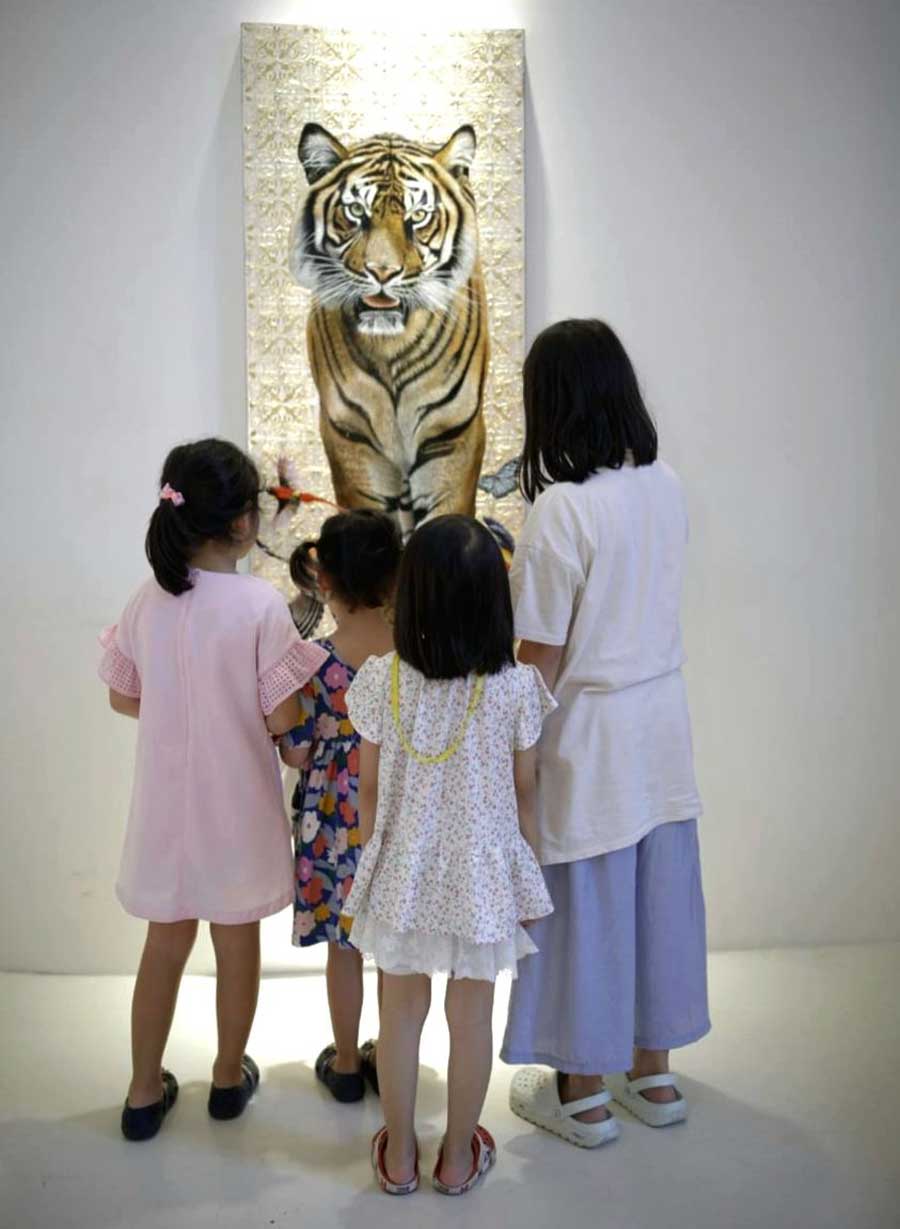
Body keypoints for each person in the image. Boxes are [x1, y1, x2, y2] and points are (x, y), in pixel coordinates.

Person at [500, 319, 710, 1148]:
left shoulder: (560, 511)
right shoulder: (667, 485)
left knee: (584, 903)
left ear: (551, 403)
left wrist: (501, 748)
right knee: (655, 891)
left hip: (589, 732)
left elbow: (539, 657)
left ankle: (581, 1094)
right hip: (661, 723)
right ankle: (652, 1075)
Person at [99, 438, 327, 1142]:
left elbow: (123, 697)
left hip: (168, 807)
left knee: (163, 944)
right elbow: (282, 718)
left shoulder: (147, 600)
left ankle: (142, 1091)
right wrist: (294, 740)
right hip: (236, 806)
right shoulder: (258, 604)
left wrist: (178, 706)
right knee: (236, 942)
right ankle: (228, 1077)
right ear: (243, 523)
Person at [342, 516, 556, 1196]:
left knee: (399, 1015)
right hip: (482, 875)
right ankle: (458, 1156)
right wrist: (528, 868)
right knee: (472, 1020)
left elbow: (368, 790)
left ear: (411, 598)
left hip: (403, 871)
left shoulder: (381, 680)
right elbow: (526, 792)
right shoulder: (516, 687)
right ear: (497, 600)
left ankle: (399, 1155)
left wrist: (370, 857)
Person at [279, 510, 401, 1103]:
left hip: (333, 821)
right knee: (394, 951)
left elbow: (299, 753)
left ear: (324, 580)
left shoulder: (312, 662)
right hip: (400, 818)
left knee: (344, 948)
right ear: (394, 579)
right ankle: (393, 1057)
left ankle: (348, 1063)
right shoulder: (416, 656)